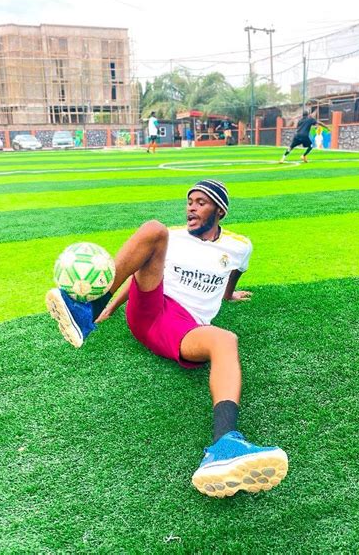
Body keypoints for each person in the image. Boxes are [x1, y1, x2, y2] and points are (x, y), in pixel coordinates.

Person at [45, 180, 288, 498]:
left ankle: (225, 446)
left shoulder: (239, 246)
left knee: (225, 339)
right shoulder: (172, 238)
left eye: (201, 202)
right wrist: (110, 307)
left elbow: (236, 271)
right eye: (190, 201)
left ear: (220, 210)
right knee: (154, 229)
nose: (191, 207)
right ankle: (86, 310)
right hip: (152, 309)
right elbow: (140, 274)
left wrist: (228, 295)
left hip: (185, 327)